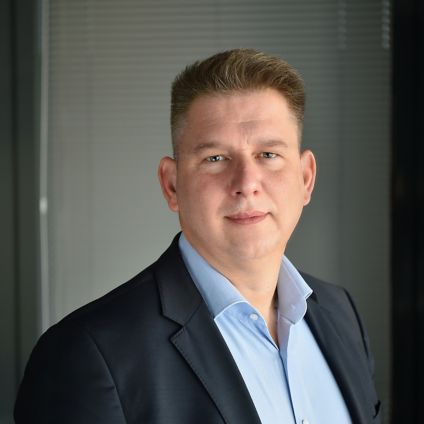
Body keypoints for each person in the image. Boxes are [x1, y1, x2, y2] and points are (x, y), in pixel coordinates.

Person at [14, 49, 381, 424]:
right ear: (172, 185)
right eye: (215, 158)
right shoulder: (85, 355)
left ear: (305, 178)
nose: (246, 183)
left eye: (269, 154)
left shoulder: (342, 314)